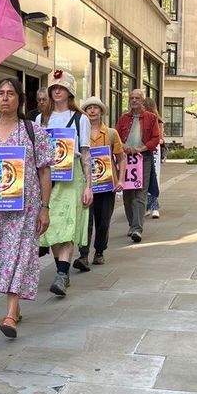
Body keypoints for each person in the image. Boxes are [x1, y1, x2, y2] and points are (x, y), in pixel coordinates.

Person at [0, 78, 53, 338]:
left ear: (20, 98)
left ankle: (10, 314)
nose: (5, 98)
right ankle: (15, 307)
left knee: (19, 255)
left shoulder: (32, 131)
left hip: (25, 209)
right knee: (1, 256)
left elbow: (45, 171)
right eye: (1, 93)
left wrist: (44, 207)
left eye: (11, 93)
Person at [35, 70, 92, 296]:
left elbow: (86, 154)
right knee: (51, 226)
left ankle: (61, 274)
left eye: (62, 88)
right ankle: (62, 270)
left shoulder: (81, 119)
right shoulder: (40, 119)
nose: (57, 91)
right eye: (54, 88)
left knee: (67, 224)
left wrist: (89, 186)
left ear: (70, 92)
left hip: (71, 177)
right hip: (47, 179)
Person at [73, 96, 126, 269]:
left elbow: (121, 158)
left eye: (95, 107)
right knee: (85, 221)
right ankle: (83, 255)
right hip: (86, 185)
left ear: (101, 111)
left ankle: (100, 251)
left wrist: (121, 180)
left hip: (107, 185)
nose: (92, 110)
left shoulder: (111, 133)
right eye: (88, 108)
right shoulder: (79, 133)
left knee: (103, 222)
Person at [115, 88, 161, 242]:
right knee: (128, 195)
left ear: (142, 100)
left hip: (143, 158)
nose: (134, 100)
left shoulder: (151, 118)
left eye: (137, 98)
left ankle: (137, 229)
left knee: (141, 193)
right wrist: (123, 146)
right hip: (125, 159)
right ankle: (132, 224)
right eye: (131, 98)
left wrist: (141, 148)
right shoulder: (123, 119)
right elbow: (116, 137)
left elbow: (155, 138)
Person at [144, 97, 164, 219]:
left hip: (151, 151)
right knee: (150, 179)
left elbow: (160, 138)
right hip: (147, 151)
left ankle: (153, 206)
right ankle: (149, 207)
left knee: (151, 178)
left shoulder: (156, 120)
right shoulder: (144, 120)